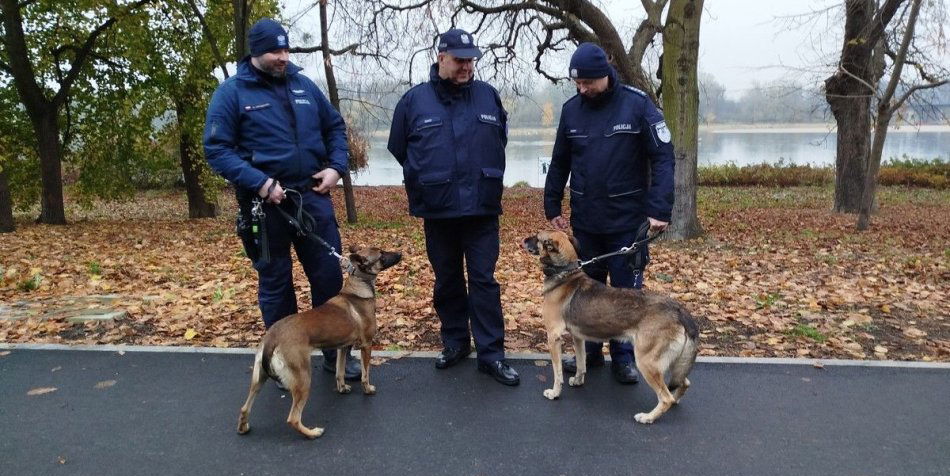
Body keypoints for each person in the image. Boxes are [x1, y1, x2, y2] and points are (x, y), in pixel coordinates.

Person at [203, 18, 360, 381]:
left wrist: (336, 167)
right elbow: (217, 149)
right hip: (265, 205)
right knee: (276, 284)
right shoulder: (232, 93)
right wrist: (260, 183)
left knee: (327, 278)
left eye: (286, 50)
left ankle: (335, 356)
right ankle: (283, 362)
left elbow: (335, 128)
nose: (283, 57)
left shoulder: (304, 86)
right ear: (255, 51)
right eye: (275, 51)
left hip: (312, 198)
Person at [387, 28, 519, 386]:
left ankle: (492, 355)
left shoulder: (488, 96)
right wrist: (428, 176)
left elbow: (499, 139)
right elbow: (399, 147)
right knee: (447, 280)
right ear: (441, 57)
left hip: (481, 209)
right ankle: (456, 342)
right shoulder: (414, 101)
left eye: (470, 60)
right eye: (459, 60)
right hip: (439, 209)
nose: (466, 66)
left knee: (484, 282)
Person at [544, 42, 675, 384]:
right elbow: (560, 161)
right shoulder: (572, 110)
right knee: (585, 293)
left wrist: (660, 209)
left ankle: (623, 359)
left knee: (624, 296)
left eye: (588, 82)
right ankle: (590, 355)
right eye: (577, 83)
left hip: (627, 223)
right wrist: (552, 205)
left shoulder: (637, 105)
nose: (582, 89)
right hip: (586, 221)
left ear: (605, 74)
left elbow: (663, 157)